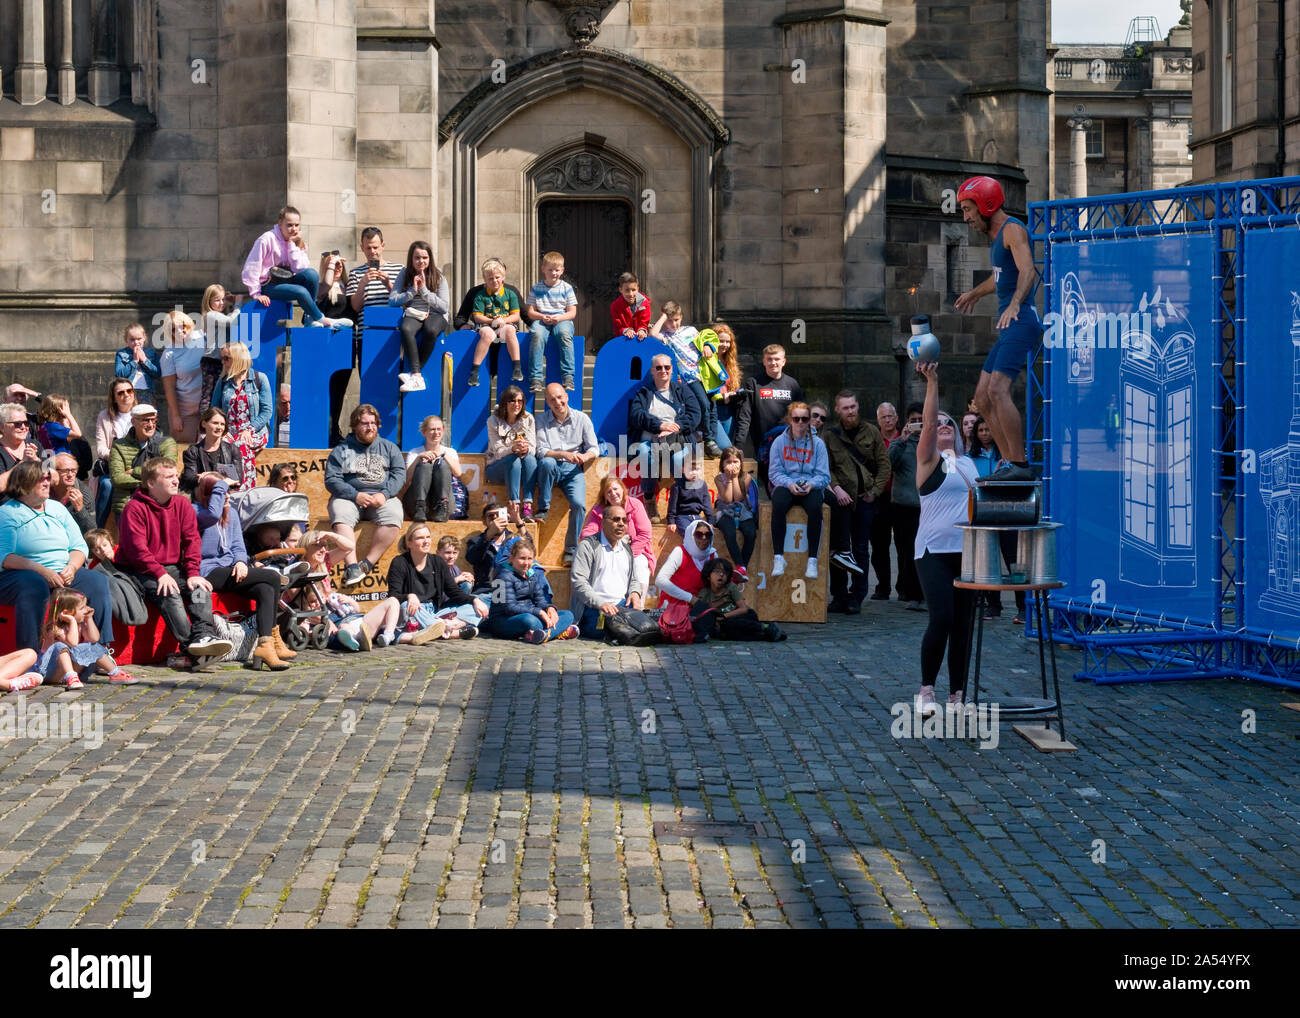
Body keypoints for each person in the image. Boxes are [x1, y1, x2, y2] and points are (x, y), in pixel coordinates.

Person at [955, 175, 1041, 482]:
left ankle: (1019, 462)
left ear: (986, 205)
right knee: (981, 396)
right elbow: (1001, 278)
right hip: (1010, 325)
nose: (966, 217)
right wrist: (974, 293)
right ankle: (1008, 462)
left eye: (968, 209)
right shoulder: (996, 240)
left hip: (1022, 320)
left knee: (997, 389)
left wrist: (1016, 303)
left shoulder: (1013, 229)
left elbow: (1028, 269)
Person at [113, 457, 234, 662]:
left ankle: (204, 635)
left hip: (173, 568)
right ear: (151, 483)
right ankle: (192, 649)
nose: (176, 481)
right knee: (170, 594)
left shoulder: (182, 504)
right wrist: (160, 573)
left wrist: (194, 573)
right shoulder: (134, 508)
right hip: (138, 570)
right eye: (169, 477)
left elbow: (192, 541)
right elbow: (137, 550)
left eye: (176, 476)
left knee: (200, 589)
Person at [911, 360, 979, 714]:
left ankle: (957, 693)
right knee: (942, 618)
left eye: (947, 424)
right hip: (934, 550)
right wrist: (932, 382)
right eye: (935, 425)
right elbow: (929, 422)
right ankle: (926, 690)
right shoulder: (928, 461)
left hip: (967, 551)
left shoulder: (970, 466)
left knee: (964, 625)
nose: (941, 427)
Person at [0, 461, 115, 654]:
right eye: (41, 479)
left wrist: (72, 567)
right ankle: (30, 655)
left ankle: (100, 651)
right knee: (34, 584)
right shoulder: (7, 513)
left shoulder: (57, 508)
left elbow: (78, 546)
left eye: (48, 478)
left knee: (96, 581)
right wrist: (42, 571)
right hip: (19, 575)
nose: (47, 482)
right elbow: (5, 557)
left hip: (62, 571)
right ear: (24, 483)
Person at [194, 472, 291, 670]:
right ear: (207, 494)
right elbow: (210, 524)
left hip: (232, 569)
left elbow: (239, 546)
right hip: (208, 570)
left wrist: (240, 562)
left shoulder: (233, 515)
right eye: (221, 491)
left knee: (265, 588)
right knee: (272, 576)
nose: (227, 496)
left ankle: (266, 646)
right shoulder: (197, 512)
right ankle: (273, 639)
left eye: (229, 491)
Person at [821, 390, 891, 614]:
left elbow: (884, 465)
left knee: (860, 548)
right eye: (845, 408)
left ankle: (857, 596)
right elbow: (826, 468)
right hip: (840, 501)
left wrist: (875, 491)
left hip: (864, 500)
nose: (850, 411)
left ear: (858, 407)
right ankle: (839, 595)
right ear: (837, 410)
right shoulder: (830, 436)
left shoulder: (871, 432)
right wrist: (837, 488)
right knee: (839, 550)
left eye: (853, 407)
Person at [325, 403, 406, 588]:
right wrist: (355, 495)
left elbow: (399, 474)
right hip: (350, 498)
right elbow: (331, 479)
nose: (370, 427)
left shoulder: (389, 448)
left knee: (394, 514)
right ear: (354, 426)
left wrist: (384, 495)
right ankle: (352, 566)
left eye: (373, 423)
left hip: (381, 498)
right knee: (340, 512)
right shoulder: (341, 450)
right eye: (364, 423)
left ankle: (366, 564)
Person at [241, 205, 349, 328]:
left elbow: (301, 269)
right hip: (268, 285)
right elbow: (251, 266)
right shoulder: (266, 239)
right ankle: (322, 319)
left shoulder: (297, 241)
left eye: (297, 225)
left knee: (312, 274)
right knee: (301, 292)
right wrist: (256, 293)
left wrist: (292, 245)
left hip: (287, 280)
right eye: (289, 225)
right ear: (280, 223)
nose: (293, 229)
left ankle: (310, 317)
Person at [292, 530, 398, 651]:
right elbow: (305, 609)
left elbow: (349, 547)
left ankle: (388, 635)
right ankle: (357, 639)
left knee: (393, 601)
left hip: (350, 616)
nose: (323, 549)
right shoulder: (297, 572)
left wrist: (331, 535)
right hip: (330, 620)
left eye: (324, 545)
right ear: (305, 547)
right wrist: (327, 623)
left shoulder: (324, 563)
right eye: (317, 545)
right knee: (345, 628)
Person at [649, 303, 726, 457]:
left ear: (682, 317)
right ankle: (708, 438)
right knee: (703, 404)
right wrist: (664, 315)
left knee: (712, 405)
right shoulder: (667, 336)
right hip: (689, 377)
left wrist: (708, 346)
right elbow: (652, 333)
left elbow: (706, 338)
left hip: (704, 374)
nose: (674, 324)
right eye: (670, 321)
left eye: (676, 319)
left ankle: (712, 441)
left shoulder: (690, 330)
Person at [627, 354, 701, 516]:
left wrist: (676, 427)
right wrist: (659, 425)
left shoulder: (682, 390)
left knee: (676, 459)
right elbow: (636, 414)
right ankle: (649, 498)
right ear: (652, 370)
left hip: (678, 440)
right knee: (646, 455)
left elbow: (695, 414)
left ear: (672, 369)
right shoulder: (644, 392)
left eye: (667, 367)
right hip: (650, 441)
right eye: (658, 367)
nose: (663, 371)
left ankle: (683, 503)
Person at [535, 383, 599, 566]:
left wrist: (584, 456)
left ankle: (571, 551)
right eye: (552, 399)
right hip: (552, 466)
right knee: (546, 462)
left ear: (566, 396)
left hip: (573, 470)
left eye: (560, 397)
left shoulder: (582, 418)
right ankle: (543, 509)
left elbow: (594, 447)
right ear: (547, 402)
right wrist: (562, 454)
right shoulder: (540, 420)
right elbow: (540, 450)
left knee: (579, 506)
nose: (557, 402)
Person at [387, 523, 485, 642]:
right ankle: (452, 632)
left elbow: (453, 591)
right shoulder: (399, 562)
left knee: (474, 607)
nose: (426, 541)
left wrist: (475, 600)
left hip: (436, 612)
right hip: (416, 611)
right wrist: (409, 596)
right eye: (420, 538)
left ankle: (437, 627)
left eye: (428, 537)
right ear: (409, 543)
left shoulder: (437, 561)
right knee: (405, 607)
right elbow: (393, 595)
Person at [767, 401, 830, 580]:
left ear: (809, 420)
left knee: (815, 507)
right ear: (790, 420)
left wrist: (811, 484)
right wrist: (788, 484)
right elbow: (774, 472)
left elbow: (824, 475)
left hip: (810, 484)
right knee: (778, 503)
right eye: (796, 419)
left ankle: (812, 560)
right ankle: (778, 557)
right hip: (788, 484)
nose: (800, 422)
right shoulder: (779, 442)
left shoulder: (817, 444)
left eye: (804, 418)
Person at [569, 502, 646, 637]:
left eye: (624, 520)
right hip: (595, 608)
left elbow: (633, 579)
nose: (621, 524)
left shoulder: (627, 549)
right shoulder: (588, 546)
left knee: (646, 629)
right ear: (603, 522)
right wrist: (602, 604)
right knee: (617, 632)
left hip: (622, 607)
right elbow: (578, 582)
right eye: (616, 519)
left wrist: (635, 593)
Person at [483, 537, 578, 643]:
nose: (526, 563)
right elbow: (509, 607)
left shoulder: (531, 574)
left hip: (531, 613)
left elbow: (540, 600)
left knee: (568, 615)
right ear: (511, 558)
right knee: (530, 621)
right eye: (522, 558)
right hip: (504, 620)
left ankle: (543, 634)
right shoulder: (502, 576)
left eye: (530, 559)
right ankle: (556, 631)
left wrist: (550, 608)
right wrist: (539, 612)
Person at [732, 344, 803, 481]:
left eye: (777, 359)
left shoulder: (792, 384)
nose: (773, 363)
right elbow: (745, 416)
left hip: (789, 448)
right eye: (769, 359)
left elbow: (801, 416)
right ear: (764, 361)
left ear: (783, 361)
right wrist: (738, 446)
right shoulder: (753, 383)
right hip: (762, 448)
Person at [36, 588, 132, 687]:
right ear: (66, 613)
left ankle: (115, 673)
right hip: (50, 672)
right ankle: (71, 676)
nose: (87, 609)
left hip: (69, 671)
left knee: (92, 646)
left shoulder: (80, 624)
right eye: (82, 608)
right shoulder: (54, 628)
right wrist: (72, 621)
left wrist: (89, 619)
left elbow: (94, 639)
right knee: (60, 646)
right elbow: (72, 643)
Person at [388, 240, 450, 394]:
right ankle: (416, 375)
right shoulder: (404, 273)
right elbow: (392, 300)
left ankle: (415, 373)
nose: (421, 261)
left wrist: (423, 290)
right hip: (415, 313)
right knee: (405, 328)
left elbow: (444, 306)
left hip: (436, 315)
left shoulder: (438, 275)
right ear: (411, 258)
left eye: (424, 258)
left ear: (430, 259)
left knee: (430, 330)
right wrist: (412, 291)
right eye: (417, 258)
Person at [213, 341, 271, 495]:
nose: (222, 362)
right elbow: (215, 409)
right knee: (222, 447)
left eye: (226, 358)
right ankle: (226, 492)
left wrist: (249, 430)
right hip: (229, 432)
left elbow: (267, 411)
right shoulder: (223, 381)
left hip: (255, 431)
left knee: (241, 446)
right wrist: (222, 430)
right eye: (222, 358)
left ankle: (246, 492)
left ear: (237, 358)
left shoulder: (260, 378)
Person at [581, 475, 655, 592]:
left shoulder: (635, 504)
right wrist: (602, 546)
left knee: (640, 564)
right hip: (607, 550)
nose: (613, 493)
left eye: (615, 489)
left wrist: (628, 555)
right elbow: (588, 532)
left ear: (622, 489)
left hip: (635, 551)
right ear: (604, 496)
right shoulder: (599, 509)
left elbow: (645, 534)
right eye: (608, 491)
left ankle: (639, 604)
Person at [108, 404, 178, 517]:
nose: (151, 425)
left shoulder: (166, 443)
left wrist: (134, 471)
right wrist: (154, 481)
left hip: (159, 503)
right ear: (133, 422)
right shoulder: (119, 445)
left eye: (153, 420)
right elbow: (117, 478)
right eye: (146, 420)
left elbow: (167, 472)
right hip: (127, 503)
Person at [889, 403, 927, 610]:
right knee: (907, 551)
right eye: (913, 420)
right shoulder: (900, 443)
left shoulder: (933, 441)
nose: (917, 424)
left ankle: (924, 592)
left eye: (920, 420)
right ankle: (910, 593)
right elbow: (888, 464)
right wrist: (901, 441)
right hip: (904, 505)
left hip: (927, 506)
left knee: (926, 552)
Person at [654, 519, 718, 643]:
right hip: (675, 607)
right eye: (699, 534)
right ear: (690, 535)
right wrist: (690, 598)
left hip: (698, 607)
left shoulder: (712, 555)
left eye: (708, 535)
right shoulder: (680, 552)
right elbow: (660, 580)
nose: (704, 538)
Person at [691, 558, 784, 642]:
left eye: (725, 572)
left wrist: (724, 616)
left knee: (731, 624)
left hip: (744, 616)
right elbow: (703, 612)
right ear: (708, 575)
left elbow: (743, 609)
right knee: (726, 634)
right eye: (717, 571)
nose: (721, 574)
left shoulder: (731, 587)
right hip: (724, 623)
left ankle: (765, 627)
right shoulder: (704, 593)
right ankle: (766, 635)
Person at [525, 251, 578, 393]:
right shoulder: (536, 288)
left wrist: (559, 318)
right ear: (543, 269)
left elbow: (572, 313)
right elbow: (530, 312)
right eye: (550, 270)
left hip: (561, 318)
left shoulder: (567, 288)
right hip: (542, 318)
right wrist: (541, 316)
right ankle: (536, 378)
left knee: (564, 334)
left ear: (562, 270)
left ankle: (568, 376)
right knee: (536, 335)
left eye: (557, 270)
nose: (554, 273)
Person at [485, 385, 538, 525]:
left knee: (531, 459)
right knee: (513, 459)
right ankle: (514, 507)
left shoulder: (529, 419)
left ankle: (527, 507)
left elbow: (533, 447)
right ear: (505, 403)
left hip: (521, 466)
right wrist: (513, 449)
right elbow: (498, 451)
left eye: (520, 401)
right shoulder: (493, 421)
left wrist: (525, 449)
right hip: (496, 467)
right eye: (512, 401)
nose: (517, 404)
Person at [467, 258, 523, 387]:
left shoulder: (510, 294)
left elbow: (515, 316)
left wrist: (503, 321)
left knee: (510, 331)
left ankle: (517, 366)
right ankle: (475, 370)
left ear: (503, 277)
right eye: (490, 279)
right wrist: (492, 321)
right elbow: (477, 316)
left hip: (505, 324)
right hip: (487, 324)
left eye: (497, 277)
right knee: (488, 335)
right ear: (485, 280)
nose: (494, 281)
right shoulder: (480, 295)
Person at [403, 414, 462, 524]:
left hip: (442, 506)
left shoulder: (450, 452)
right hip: (416, 507)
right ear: (423, 432)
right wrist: (418, 458)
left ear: (443, 431)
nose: (436, 433)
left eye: (439, 429)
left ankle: (442, 505)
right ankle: (420, 506)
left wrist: (443, 455)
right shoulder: (414, 452)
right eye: (432, 430)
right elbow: (406, 480)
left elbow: (458, 473)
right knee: (424, 465)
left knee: (443, 465)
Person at [869, 401, 901, 601]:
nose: (888, 420)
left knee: (904, 545)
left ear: (896, 418)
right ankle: (883, 587)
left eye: (891, 416)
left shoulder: (905, 438)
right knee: (879, 546)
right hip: (879, 498)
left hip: (901, 499)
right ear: (878, 420)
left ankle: (904, 587)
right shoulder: (873, 440)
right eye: (884, 417)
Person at [159, 309, 205, 443]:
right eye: (174, 329)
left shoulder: (203, 338)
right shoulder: (169, 354)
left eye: (183, 326)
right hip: (186, 412)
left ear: (189, 324)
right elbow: (169, 389)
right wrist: (176, 416)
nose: (180, 331)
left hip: (208, 408)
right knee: (187, 452)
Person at [713, 446, 758, 578]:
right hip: (725, 510)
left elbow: (738, 497)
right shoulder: (719, 478)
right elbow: (727, 499)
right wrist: (729, 479)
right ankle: (741, 565)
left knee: (750, 533)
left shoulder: (747, 477)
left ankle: (742, 567)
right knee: (729, 532)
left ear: (741, 463)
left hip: (742, 509)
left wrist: (735, 478)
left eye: (735, 462)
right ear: (723, 464)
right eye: (728, 462)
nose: (732, 465)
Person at [181, 407, 243, 493]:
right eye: (215, 423)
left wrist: (208, 476)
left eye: (222, 424)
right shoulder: (192, 451)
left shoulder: (233, 449)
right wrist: (223, 480)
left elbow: (238, 479)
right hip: (202, 496)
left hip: (227, 494)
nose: (219, 427)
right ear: (204, 424)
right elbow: (189, 478)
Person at [465, 503, 512, 594]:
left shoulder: (514, 539)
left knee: (535, 567)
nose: (495, 519)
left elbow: (530, 555)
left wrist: (519, 523)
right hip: (486, 592)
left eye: (498, 515)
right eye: (491, 516)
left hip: (509, 590)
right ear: (484, 521)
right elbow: (471, 558)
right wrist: (488, 535)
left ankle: (547, 604)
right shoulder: (476, 541)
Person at [711, 322, 745, 443]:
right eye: (721, 341)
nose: (725, 345)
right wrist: (722, 396)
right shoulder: (706, 360)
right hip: (712, 408)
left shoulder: (730, 363)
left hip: (727, 409)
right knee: (724, 446)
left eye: (728, 341)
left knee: (725, 451)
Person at [49, 453, 95, 534]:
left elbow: (92, 531)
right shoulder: (44, 489)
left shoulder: (84, 493)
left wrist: (80, 509)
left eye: (74, 470)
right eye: (65, 471)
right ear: (53, 471)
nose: (70, 475)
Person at [114, 323, 161, 402]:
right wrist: (134, 361)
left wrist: (145, 360)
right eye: (132, 339)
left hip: (147, 391)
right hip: (128, 392)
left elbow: (157, 373)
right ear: (126, 340)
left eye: (139, 339)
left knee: (147, 413)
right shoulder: (121, 354)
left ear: (144, 338)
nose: (136, 342)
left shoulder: (151, 353)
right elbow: (119, 375)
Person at [0, 402, 41, 493]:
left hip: (38, 504)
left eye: (26, 423)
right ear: (2, 427)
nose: (23, 427)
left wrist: (37, 460)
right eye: (17, 424)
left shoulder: (37, 445)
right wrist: (23, 464)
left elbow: (55, 477)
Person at [665, 459, 714, 534]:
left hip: (697, 517)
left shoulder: (702, 485)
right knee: (689, 532)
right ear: (683, 469)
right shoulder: (677, 486)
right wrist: (671, 522)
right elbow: (672, 506)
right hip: (682, 517)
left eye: (697, 469)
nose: (694, 473)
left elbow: (707, 504)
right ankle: (688, 546)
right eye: (690, 469)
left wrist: (710, 521)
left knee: (707, 533)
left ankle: (708, 546)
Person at [610, 271, 651, 340]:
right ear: (620, 290)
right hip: (624, 340)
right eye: (627, 290)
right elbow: (618, 326)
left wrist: (642, 330)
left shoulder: (644, 303)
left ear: (637, 289)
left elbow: (644, 321)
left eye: (633, 290)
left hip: (640, 339)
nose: (631, 294)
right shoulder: (615, 306)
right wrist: (626, 330)